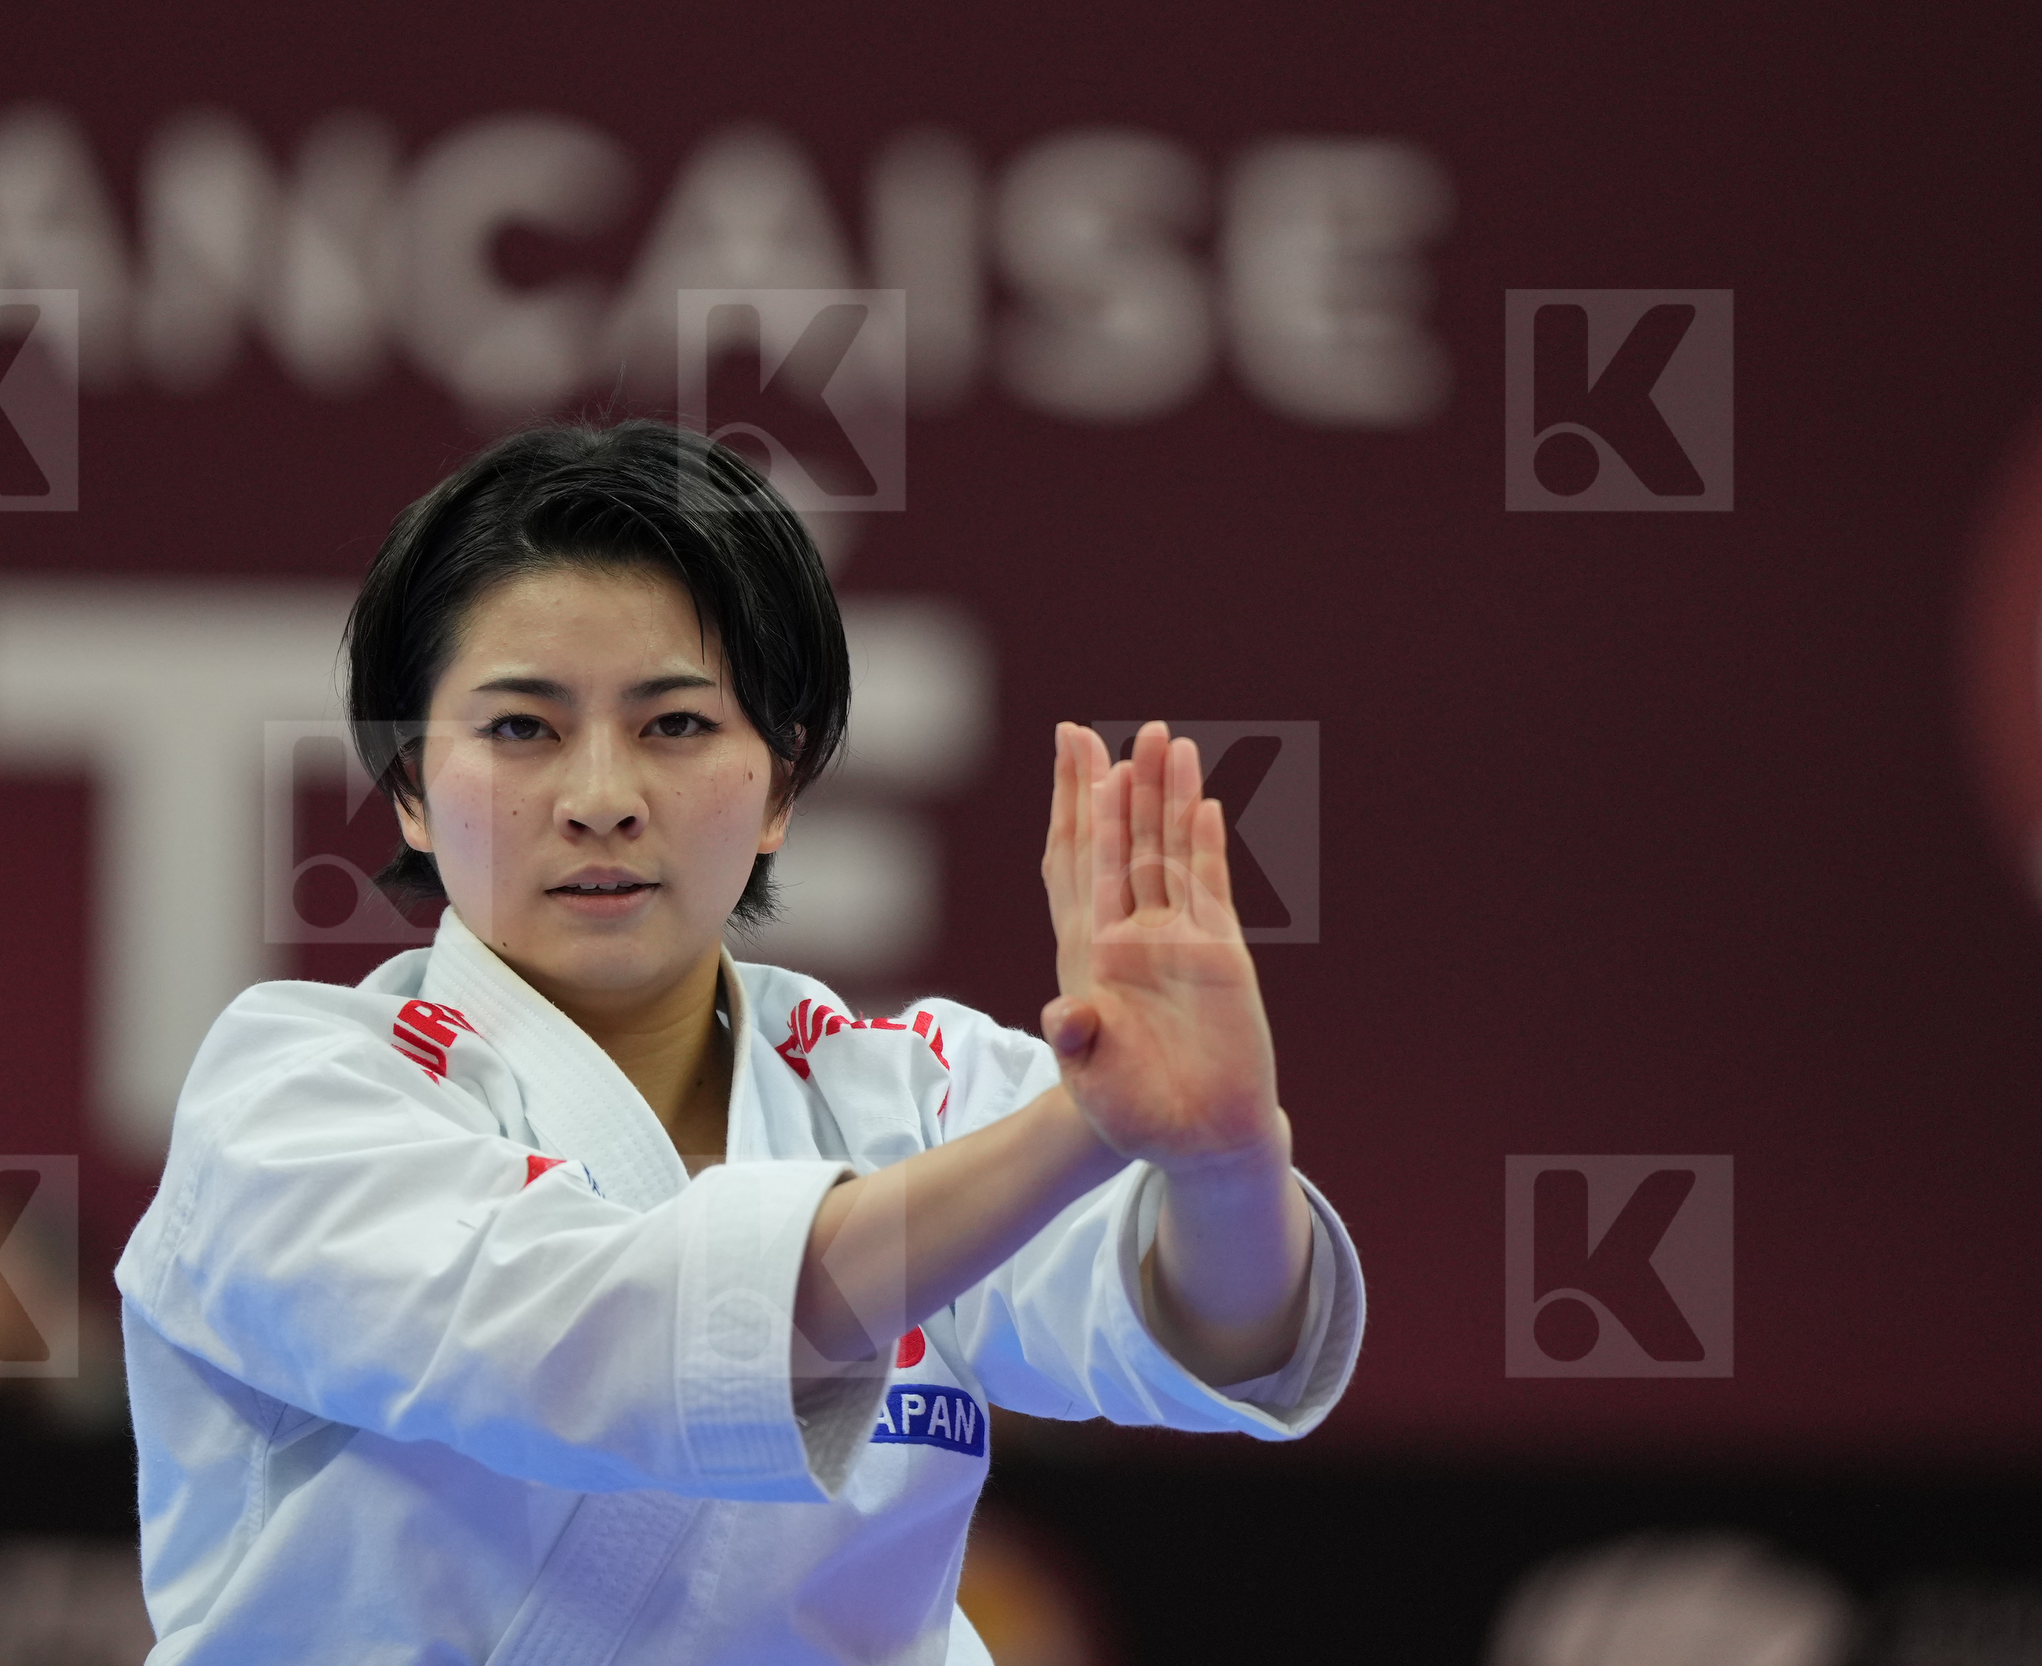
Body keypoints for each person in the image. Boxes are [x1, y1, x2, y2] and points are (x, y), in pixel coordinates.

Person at [114, 420, 1366, 1665]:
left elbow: (1223, 1334)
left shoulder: (910, 1090)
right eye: (520, 728)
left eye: (674, 725)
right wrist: (1079, 1128)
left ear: (780, 781)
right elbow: (612, 1337)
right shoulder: (295, 1098)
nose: (600, 797)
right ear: (409, 790)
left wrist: (1222, 1161)